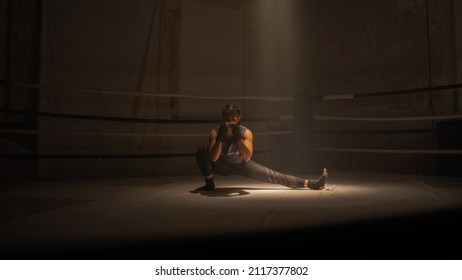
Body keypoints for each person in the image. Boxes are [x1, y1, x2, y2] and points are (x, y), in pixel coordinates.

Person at [192, 104, 328, 193]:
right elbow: (213, 158)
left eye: (233, 119)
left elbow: (246, 157)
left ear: (239, 118)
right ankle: (209, 184)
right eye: (227, 119)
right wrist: (221, 136)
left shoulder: (246, 132)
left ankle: (312, 184)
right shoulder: (215, 132)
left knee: (275, 176)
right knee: (202, 152)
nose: (230, 122)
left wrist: (237, 138)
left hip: (242, 164)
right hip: (222, 166)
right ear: (223, 119)